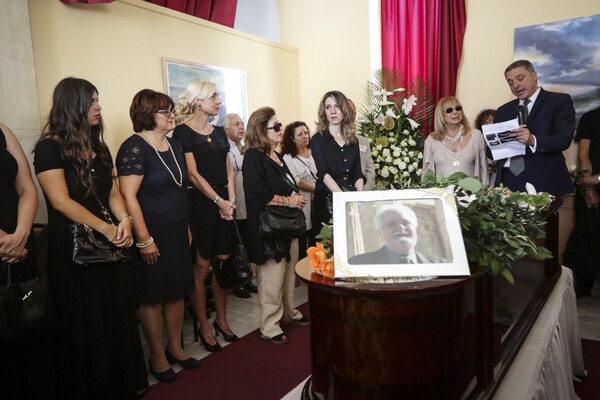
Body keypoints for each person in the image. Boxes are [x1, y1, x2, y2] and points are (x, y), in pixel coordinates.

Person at [33, 77, 148, 399]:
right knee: (87, 319)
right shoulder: (49, 147)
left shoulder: (98, 146)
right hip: (75, 249)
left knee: (115, 312)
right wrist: (106, 228)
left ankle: (121, 382)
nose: (98, 107)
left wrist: (124, 220)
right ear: (73, 105)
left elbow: (112, 192)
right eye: (92, 101)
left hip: (110, 243)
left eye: (98, 100)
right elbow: (60, 201)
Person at [117, 89, 199, 383]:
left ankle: (175, 348)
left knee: (176, 292)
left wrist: (186, 226)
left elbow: (179, 189)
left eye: (171, 110)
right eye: (165, 111)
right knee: (152, 296)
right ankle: (156, 356)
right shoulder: (134, 148)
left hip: (176, 232)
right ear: (146, 114)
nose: (171, 115)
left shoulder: (174, 144)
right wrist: (144, 239)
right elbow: (128, 196)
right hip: (151, 234)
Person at [173, 80, 239, 352]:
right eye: (213, 96)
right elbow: (192, 174)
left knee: (223, 263)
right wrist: (219, 201)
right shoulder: (182, 132)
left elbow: (228, 169)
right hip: (200, 202)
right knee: (201, 267)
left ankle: (222, 320)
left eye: (218, 96)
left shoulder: (220, 132)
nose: (218, 101)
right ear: (198, 101)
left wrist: (231, 199)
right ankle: (204, 325)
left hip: (224, 200)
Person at [242, 107, 309, 345]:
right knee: (271, 277)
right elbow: (256, 193)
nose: (282, 130)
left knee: (288, 274)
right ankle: (270, 325)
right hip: (268, 227)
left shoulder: (276, 155)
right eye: (276, 126)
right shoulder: (253, 157)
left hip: (287, 224)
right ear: (261, 130)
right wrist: (289, 200)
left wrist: (295, 196)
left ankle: (288, 312)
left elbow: (286, 184)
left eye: (281, 125)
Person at [0, 122, 56, 399]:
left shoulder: (3, 129)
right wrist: (4, 241)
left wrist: (22, 233)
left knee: (28, 326)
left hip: (19, 243)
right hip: (6, 244)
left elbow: (26, 188)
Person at [492, 59, 575, 195]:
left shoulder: (559, 101)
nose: (516, 85)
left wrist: (533, 140)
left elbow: (563, 139)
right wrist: (496, 142)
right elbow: (491, 152)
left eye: (520, 78)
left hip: (545, 179)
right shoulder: (503, 111)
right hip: (508, 181)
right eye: (510, 82)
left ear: (534, 75)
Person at [311, 90, 364, 238]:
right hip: (327, 199)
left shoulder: (353, 140)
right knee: (329, 245)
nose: (333, 111)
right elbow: (323, 174)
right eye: (328, 107)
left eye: (337, 106)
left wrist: (359, 199)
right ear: (324, 111)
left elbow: (357, 173)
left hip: (350, 197)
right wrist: (343, 199)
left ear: (344, 109)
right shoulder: (318, 139)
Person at [222, 113, 258, 299]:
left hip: (246, 202)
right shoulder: (225, 148)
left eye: (242, 123)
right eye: (236, 124)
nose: (241, 127)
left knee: (246, 241)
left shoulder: (241, 147)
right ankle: (239, 281)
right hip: (234, 202)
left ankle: (248, 278)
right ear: (226, 129)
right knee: (237, 243)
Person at [566, 106, 600, 297]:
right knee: (585, 237)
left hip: (595, 181)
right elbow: (583, 154)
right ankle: (584, 285)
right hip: (590, 187)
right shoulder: (590, 116)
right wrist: (589, 188)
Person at [349, 204, 449, 265]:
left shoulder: (443, 265)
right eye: (392, 224)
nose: (401, 228)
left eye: (406, 223)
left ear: (415, 228)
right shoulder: (357, 263)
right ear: (380, 233)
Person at [422, 97, 489, 186]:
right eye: (449, 110)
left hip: (472, 193)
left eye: (458, 108)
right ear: (440, 115)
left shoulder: (476, 135)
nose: (455, 112)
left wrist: (484, 190)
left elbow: (484, 169)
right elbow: (426, 175)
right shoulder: (431, 140)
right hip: (441, 194)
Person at [281, 121, 317, 256]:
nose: (304, 136)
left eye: (306, 133)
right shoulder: (288, 157)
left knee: (317, 236)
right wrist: (315, 189)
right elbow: (296, 180)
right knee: (303, 236)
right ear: (292, 139)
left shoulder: (315, 151)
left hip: (318, 201)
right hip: (303, 201)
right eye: (300, 134)